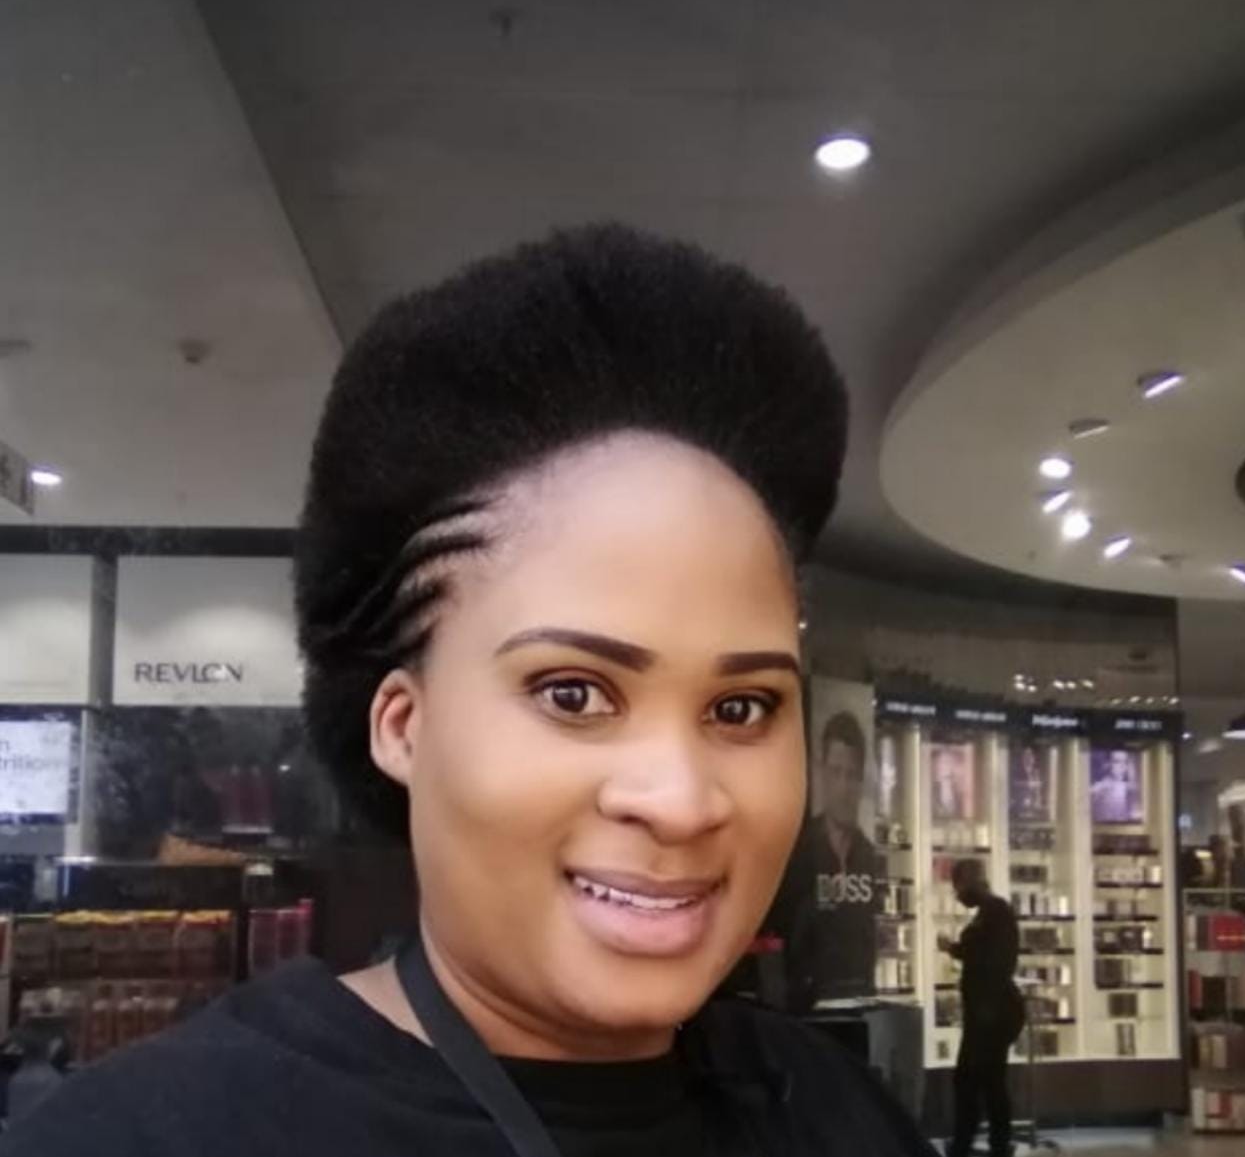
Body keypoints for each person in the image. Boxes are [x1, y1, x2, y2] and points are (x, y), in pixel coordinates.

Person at [0, 225, 935, 1157]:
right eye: (574, 694)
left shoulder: (836, 1113)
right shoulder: (160, 1133)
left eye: (741, 708)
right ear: (402, 725)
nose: (682, 801)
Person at [773, 710, 880, 1006]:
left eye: (852, 775)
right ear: (821, 773)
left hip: (860, 995)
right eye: (836, 773)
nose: (844, 788)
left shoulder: (868, 854)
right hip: (808, 999)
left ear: (862, 781)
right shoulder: (799, 849)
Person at [938, 858, 1025, 1157]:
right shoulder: (990, 912)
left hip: (992, 1013)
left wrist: (956, 949)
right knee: (985, 1080)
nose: (957, 894)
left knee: (976, 1080)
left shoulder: (996, 912)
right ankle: (988, 1143)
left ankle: (974, 1143)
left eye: (958, 886)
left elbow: (992, 958)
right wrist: (955, 949)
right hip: (986, 1011)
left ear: (970, 881)